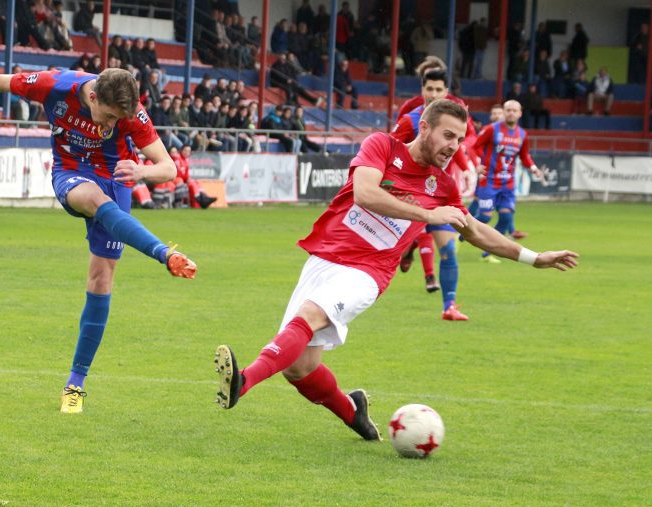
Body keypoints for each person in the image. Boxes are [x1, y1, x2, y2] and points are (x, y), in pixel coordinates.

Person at [212, 99, 578, 440]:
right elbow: (365, 193)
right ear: (424, 127)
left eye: (460, 139)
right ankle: (353, 411)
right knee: (299, 367)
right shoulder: (382, 147)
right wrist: (427, 214)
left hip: (367, 273)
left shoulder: (444, 186)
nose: (454, 146)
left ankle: (242, 384)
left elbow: (478, 230)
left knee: (311, 315)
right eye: (447, 135)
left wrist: (534, 257)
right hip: (324, 258)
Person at [0, 68, 198, 414]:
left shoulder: (131, 112)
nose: (110, 125)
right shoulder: (57, 85)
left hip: (117, 180)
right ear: (93, 97)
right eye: (107, 116)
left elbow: (167, 167)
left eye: (116, 119)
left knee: (101, 278)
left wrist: (142, 172)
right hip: (71, 171)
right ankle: (163, 252)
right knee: (94, 201)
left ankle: (75, 385)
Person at [392, 69, 479, 316]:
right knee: (391, 247)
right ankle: (408, 249)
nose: (434, 94)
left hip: (440, 195)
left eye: (439, 89)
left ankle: (449, 306)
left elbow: (460, 147)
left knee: (449, 250)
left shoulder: (451, 121)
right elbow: (390, 149)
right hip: (410, 196)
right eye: (429, 89)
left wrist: (467, 169)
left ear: (446, 92)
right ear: (422, 90)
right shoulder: (411, 120)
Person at [471, 100, 546, 262]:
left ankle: (487, 252)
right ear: (504, 112)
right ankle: (460, 236)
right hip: (489, 181)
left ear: (520, 113)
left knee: (505, 218)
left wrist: (533, 168)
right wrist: (478, 163)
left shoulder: (522, 135)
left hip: (508, 184)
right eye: (508, 110)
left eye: (514, 110)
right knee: (485, 217)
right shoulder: (491, 129)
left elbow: (524, 155)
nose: (511, 113)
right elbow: (474, 146)